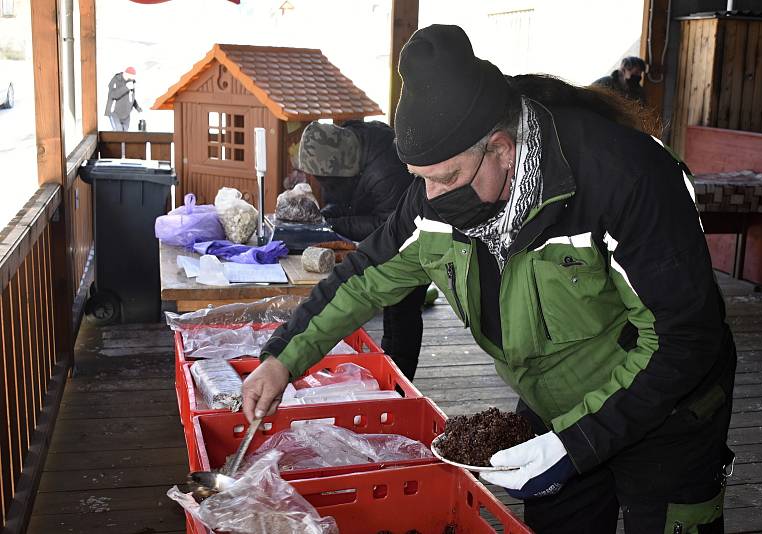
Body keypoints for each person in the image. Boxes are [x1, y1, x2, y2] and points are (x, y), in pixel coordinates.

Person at [243, 24, 736, 534]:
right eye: (420, 177)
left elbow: (684, 338)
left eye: (447, 178)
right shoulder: (435, 197)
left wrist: (579, 442)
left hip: (668, 411)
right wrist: (283, 359)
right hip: (556, 406)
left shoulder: (625, 177)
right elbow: (364, 276)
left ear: (501, 147)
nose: (431, 198)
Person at [296, 120, 430, 380]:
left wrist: (333, 223)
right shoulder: (345, 151)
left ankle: (399, 382)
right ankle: (387, 374)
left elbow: (388, 225)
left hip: (413, 248)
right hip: (390, 240)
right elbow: (344, 201)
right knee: (390, 313)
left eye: (324, 179)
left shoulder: (385, 169)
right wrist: (323, 216)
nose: (322, 183)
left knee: (402, 313)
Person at [104, 66, 142, 131]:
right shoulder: (116, 80)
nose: (132, 79)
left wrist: (137, 108)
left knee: (124, 135)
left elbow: (131, 97)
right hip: (114, 113)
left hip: (126, 114)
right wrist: (126, 87)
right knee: (118, 132)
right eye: (131, 76)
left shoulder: (131, 82)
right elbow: (112, 95)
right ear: (126, 74)